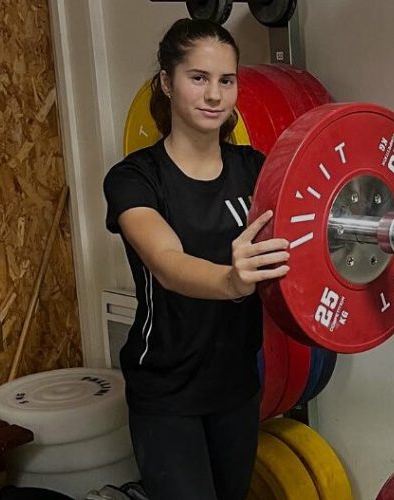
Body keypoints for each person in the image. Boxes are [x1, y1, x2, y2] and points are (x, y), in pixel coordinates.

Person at [102, 18, 289, 500]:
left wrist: (388, 213)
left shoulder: (256, 170)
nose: (214, 95)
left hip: (237, 385)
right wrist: (231, 280)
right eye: (198, 78)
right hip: (166, 391)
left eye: (226, 81)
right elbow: (166, 262)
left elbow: (317, 224)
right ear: (167, 82)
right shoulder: (135, 178)